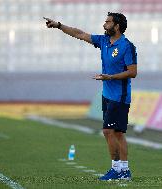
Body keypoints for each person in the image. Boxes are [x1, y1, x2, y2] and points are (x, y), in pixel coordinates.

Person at [44, 12, 137, 180]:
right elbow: (79, 33)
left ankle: (116, 169)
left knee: (108, 131)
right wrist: (59, 25)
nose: (104, 25)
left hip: (120, 96)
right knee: (117, 133)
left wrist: (110, 77)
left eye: (108, 22)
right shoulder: (103, 41)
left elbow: (133, 72)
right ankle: (125, 170)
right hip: (107, 94)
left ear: (117, 26)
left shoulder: (127, 46)